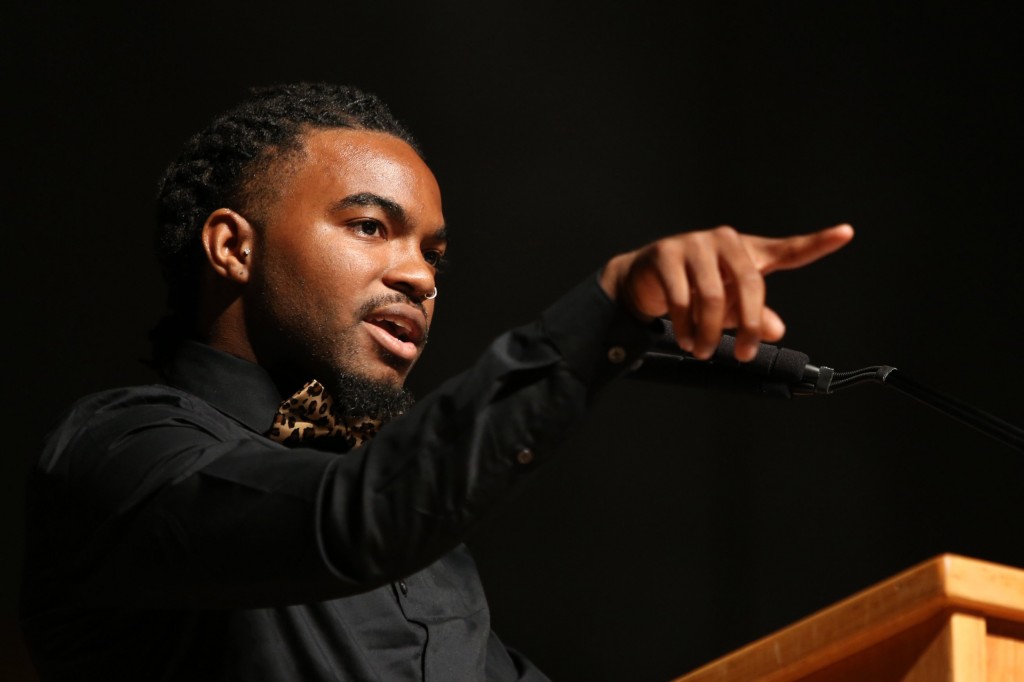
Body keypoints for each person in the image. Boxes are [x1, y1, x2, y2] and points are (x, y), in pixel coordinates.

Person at [18, 82, 854, 681]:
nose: (419, 276)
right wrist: (602, 315)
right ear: (234, 247)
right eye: (371, 226)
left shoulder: (434, 561)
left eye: (433, 255)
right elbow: (354, 517)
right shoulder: (120, 451)